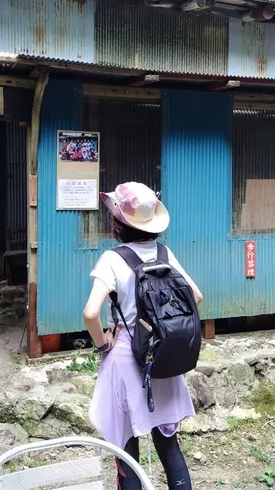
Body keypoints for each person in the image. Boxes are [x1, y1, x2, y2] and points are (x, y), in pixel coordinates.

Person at [83, 182, 203, 490]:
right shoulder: (164, 253)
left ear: (118, 223)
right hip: (161, 354)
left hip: (126, 355)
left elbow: (91, 313)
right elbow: (196, 296)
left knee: (126, 450)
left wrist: (103, 344)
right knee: (169, 447)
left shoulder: (113, 258)